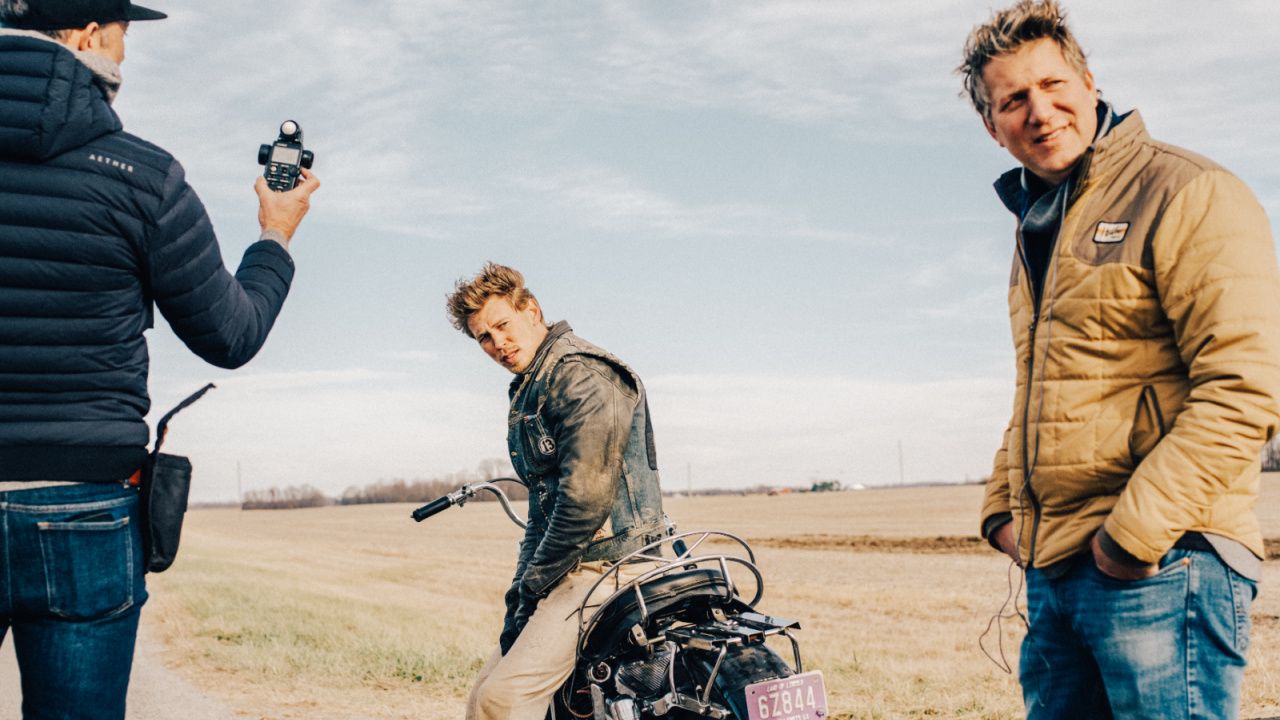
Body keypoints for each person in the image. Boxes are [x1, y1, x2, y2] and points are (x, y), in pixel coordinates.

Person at [960, 1, 1280, 718]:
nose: (1039, 112)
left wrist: (1130, 540)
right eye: (1014, 101)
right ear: (993, 127)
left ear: (1090, 82)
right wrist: (1001, 514)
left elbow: (1244, 387)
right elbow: (1042, 390)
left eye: (1052, 86)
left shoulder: (1188, 191)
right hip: (1058, 571)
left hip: (1163, 566)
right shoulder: (1041, 228)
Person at [0, 0, 320, 717]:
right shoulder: (143, 177)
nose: (124, 54)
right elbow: (230, 336)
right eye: (121, 36)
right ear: (86, 37)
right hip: (82, 509)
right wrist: (274, 237)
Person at [446, 263, 667, 720]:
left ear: (532, 311)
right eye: (483, 337)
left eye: (502, 325)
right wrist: (520, 593)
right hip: (576, 565)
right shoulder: (533, 385)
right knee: (485, 692)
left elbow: (583, 503)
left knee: (502, 702)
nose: (496, 344)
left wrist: (532, 587)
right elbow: (541, 509)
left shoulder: (580, 374)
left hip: (611, 564)